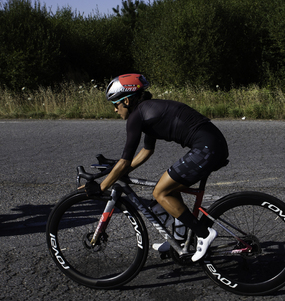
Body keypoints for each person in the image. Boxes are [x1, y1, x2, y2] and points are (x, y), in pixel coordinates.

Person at [81, 73, 229, 261]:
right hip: (212, 144)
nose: (115, 110)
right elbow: (146, 151)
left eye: (115, 105)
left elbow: (125, 160)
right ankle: (179, 239)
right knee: (168, 186)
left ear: (126, 100)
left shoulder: (137, 116)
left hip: (207, 148)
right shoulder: (147, 111)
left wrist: (102, 186)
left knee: (160, 192)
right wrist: (117, 172)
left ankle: (204, 234)